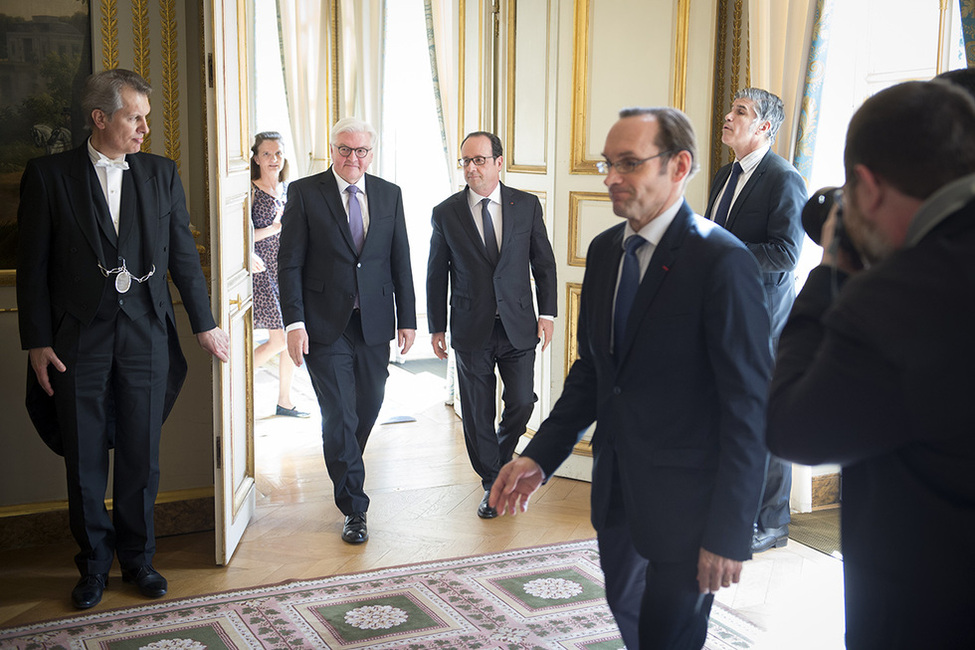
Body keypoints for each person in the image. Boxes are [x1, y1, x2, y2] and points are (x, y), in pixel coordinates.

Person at [490, 107, 771, 650]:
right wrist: (540, 456)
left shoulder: (722, 262)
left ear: (679, 165)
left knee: (670, 636)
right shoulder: (603, 252)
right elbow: (594, 371)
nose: (612, 178)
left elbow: (749, 408)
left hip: (690, 506)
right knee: (630, 617)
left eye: (629, 164)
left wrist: (730, 532)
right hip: (619, 491)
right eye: (608, 164)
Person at [766, 80, 975, 649]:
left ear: (866, 187)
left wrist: (832, 267)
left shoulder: (898, 299)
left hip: (929, 610)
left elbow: (794, 428)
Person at [16, 68, 230, 610]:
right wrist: (37, 340)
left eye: (146, 119)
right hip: (77, 339)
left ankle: (138, 561)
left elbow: (183, 253)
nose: (143, 130)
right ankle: (91, 568)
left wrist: (204, 323)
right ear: (100, 118)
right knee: (84, 455)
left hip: (146, 334)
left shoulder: (161, 173)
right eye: (135, 118)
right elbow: (32, 266)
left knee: (142, 452)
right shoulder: (48, 176)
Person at [278, 117, 416, 545]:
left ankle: (343, 459)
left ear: (370, 153)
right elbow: (290, 263)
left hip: (374, 322)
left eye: (361, 151)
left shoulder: (389, 194)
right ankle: (354, 507)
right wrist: (295, 323)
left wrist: (408, 318)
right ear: (331, 148)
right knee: (339, 412)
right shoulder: (304, 192)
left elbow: (400, 260)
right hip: (324, 323)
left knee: (368, 404)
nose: (352, 158)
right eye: (344, 150)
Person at [426, 131, 557, 518]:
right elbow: (437, 274)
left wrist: (546, 314)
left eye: (479, 160)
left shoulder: (527, 205)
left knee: (521, 401)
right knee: (477, 411)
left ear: (499, 162)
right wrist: (437, 327)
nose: (471, 168)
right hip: (470, 327)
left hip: (518, 324)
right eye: (465, 161)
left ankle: (498, 461)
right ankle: (491, 484)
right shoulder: (446, 212)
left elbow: (543, 263)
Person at [703, 87, 806, 554]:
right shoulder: (725, 174)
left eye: (740, 112)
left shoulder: (784, 179)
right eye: (731, 109)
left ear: (764, 127)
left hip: (763, 322)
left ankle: (770, 523)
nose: (727, 116)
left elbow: (787, 254)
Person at [249, 131, 308, 418]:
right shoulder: (250, 191)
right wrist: (271, 230)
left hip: (289, 270)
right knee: (279, 340)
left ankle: (285, 400)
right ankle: (237, 375)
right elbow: (240, 235)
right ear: (256, 158)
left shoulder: (288, 189)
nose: (273, 159)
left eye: (278, 154)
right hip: (264, 274)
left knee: (291, 334)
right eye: (267, 154)